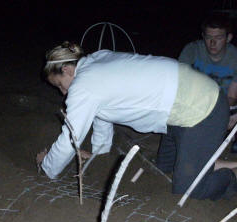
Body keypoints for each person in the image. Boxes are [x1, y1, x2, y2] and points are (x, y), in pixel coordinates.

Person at [36, 41, 237, 201]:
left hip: (203, 109)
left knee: (187, 189)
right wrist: (100, 154)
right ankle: (208, 162)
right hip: (180, 110)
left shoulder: (83, 85)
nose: (63, 93)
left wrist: (47, 167)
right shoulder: (96, 60)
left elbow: (70, 137)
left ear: (67, 70)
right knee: (164, 167)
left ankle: (232, 177)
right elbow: (102, 114)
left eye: (61, 85)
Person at [179, 13, 237, 151]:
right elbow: (181, 84)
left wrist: (223, 114)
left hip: (223, 104)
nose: (212, 43)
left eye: (218, 38)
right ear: (203, 36)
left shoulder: (235, 57)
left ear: (228, 38)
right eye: (209, 37)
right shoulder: (191, 50)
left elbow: (232, 96)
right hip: (195, 102)